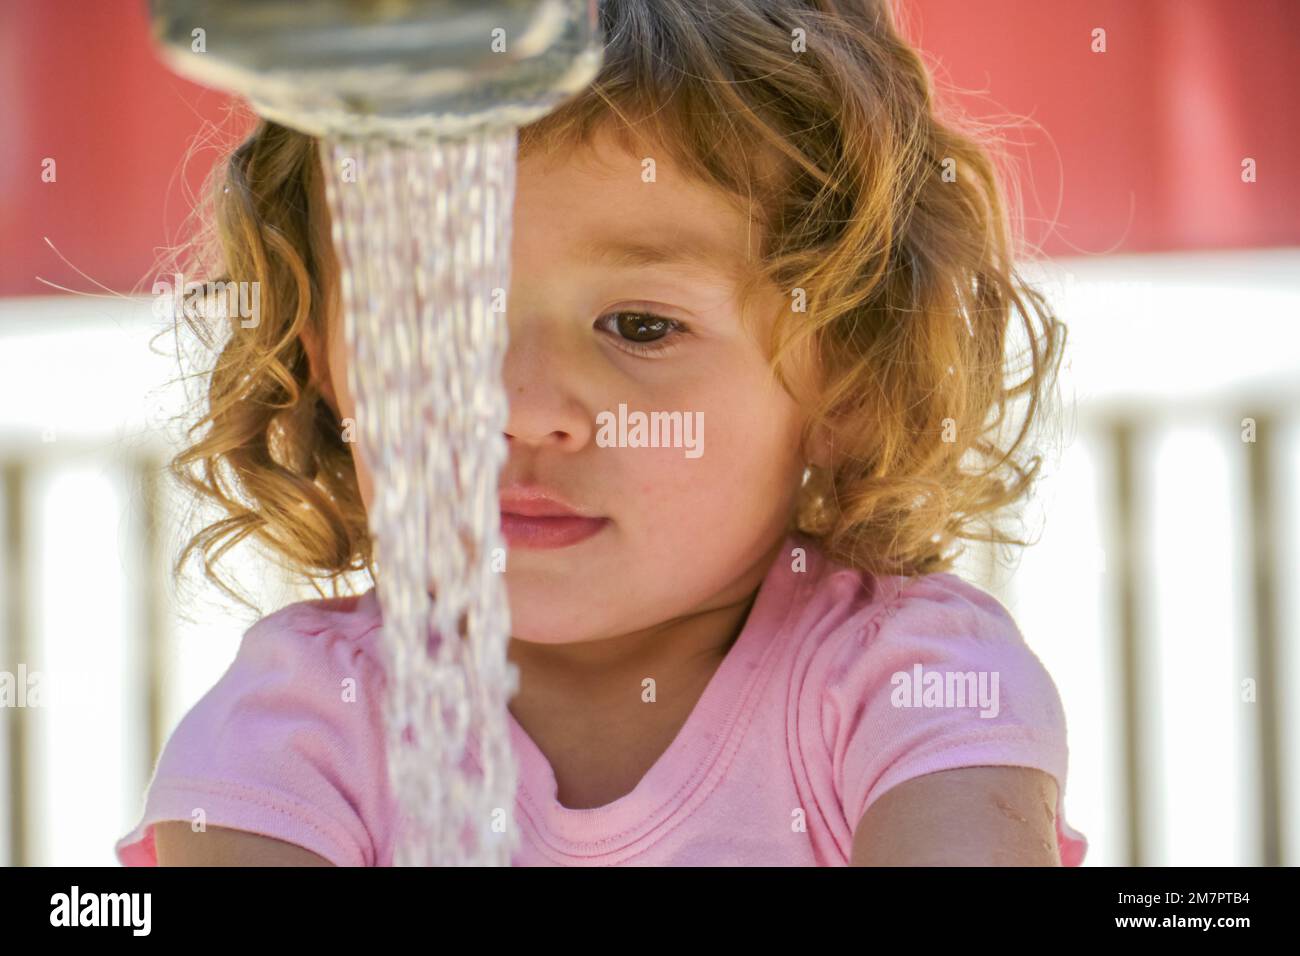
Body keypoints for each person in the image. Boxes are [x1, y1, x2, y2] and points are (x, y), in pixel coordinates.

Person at [116, 0, 1085, 866]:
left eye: (641, 326)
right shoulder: (298, 728)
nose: (522, 406)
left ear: (849, 383)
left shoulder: (907, 684)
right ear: (323, 360)